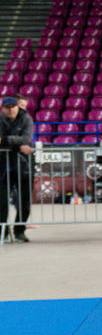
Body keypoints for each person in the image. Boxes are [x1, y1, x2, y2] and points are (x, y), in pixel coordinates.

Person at [0, 96, 34, 242]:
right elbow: (22, 142)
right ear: (3, 109)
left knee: (25, 202)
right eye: (7, 107)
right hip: (3, 167)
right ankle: (3, 231)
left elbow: (26, 139)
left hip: (23, 166)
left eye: (13, 107)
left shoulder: (26, 119)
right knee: (1, 203)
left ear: (17, 107)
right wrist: (18, 146)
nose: (11, 110)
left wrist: (4, 141)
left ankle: (19, 231)